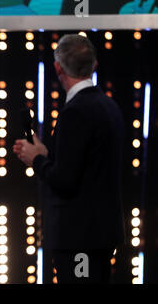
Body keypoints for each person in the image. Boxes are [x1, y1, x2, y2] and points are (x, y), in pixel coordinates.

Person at [13, 34, 125, 283]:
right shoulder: (109, 106)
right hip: (100, 233)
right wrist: (47, 154)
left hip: (79, 236)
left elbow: (65, 181)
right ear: (94, 66)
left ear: (57, 67)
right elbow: (88, 165)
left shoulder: (76, 111)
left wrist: (36, 160)